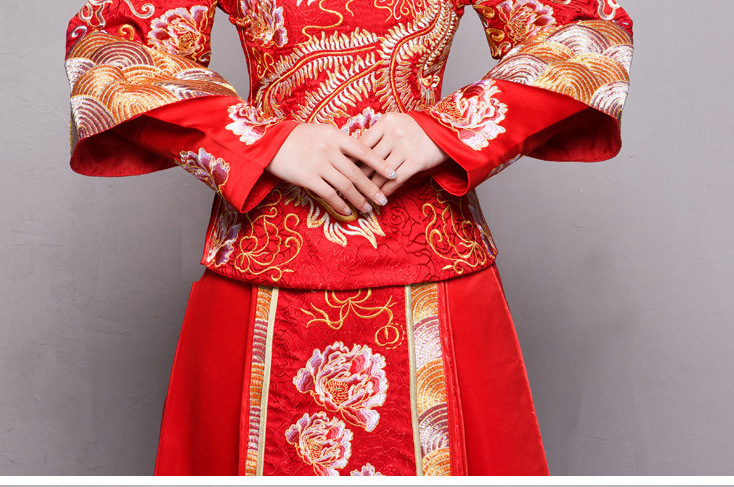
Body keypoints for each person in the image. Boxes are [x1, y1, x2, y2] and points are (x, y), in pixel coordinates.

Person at [64, 0, 633, 476]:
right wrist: (260, 141)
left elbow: (589, 34)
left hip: (433, 264)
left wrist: (446, 130)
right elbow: (112, 49)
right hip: (264, 265)